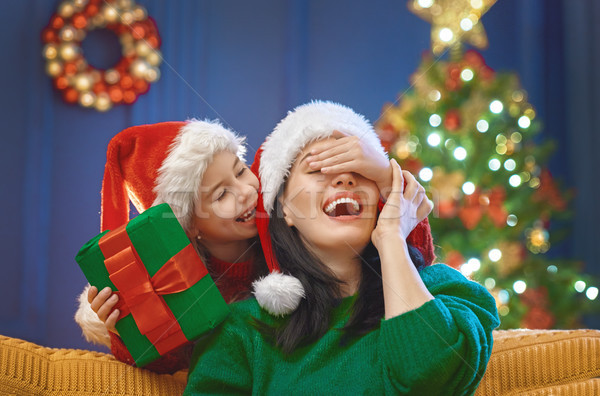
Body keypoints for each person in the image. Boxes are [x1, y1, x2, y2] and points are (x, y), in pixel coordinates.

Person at [185, 101, 500, 394]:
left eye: (360, 172)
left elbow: (429, 377)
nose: (345, 180)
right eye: (318, 169)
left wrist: (391, 236)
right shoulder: (242, 331)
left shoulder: (447, 293)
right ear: (285, 209)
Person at [74, 120, 266, 373]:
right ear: (190, 226)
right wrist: (122, 330)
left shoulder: (285, 234)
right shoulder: (177, 287)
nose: (245, 190)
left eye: (240, 171)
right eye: (221, 195)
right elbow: (168, 364)